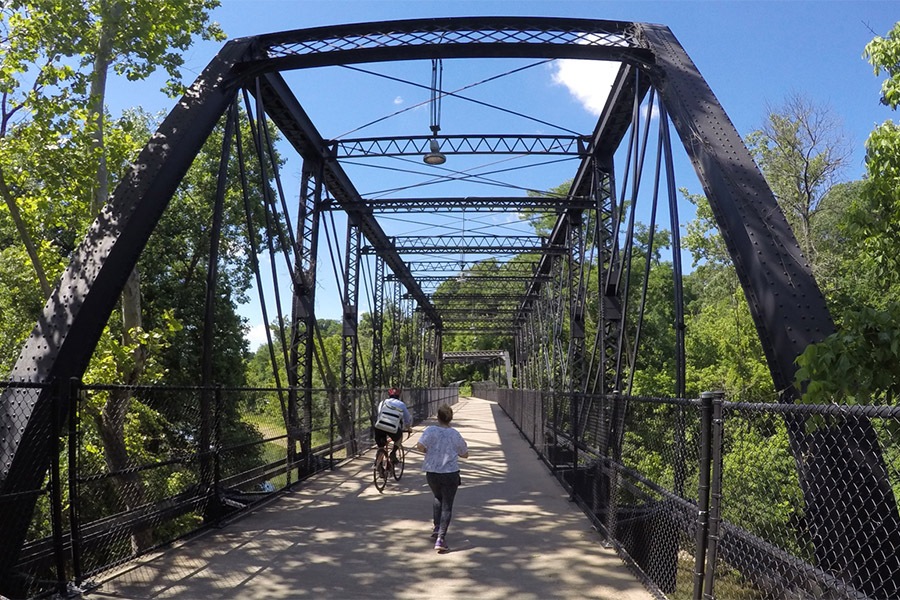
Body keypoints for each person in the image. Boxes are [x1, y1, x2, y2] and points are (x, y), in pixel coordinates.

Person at [415, 403, 468, 554]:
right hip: (450, 473)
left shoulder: (431, 430)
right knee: (447, 505)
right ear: (450, 419)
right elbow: (465, 453)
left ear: (437, 417)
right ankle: (441, 539)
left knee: (438, 497)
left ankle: (437, 526)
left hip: (432, 472)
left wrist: (427, 450)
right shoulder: (454, 434)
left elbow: (419, 446)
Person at [373, 387, 413, 465]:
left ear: (389, 395)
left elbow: (379, 414)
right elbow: (407, 419)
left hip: (379, 427)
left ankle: (379, 465)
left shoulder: (383, 402)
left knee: (381, 446)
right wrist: (408, 428)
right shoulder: (401, 404)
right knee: (399, 437)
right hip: (392, 428)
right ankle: (393, 453)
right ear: (399, 396)